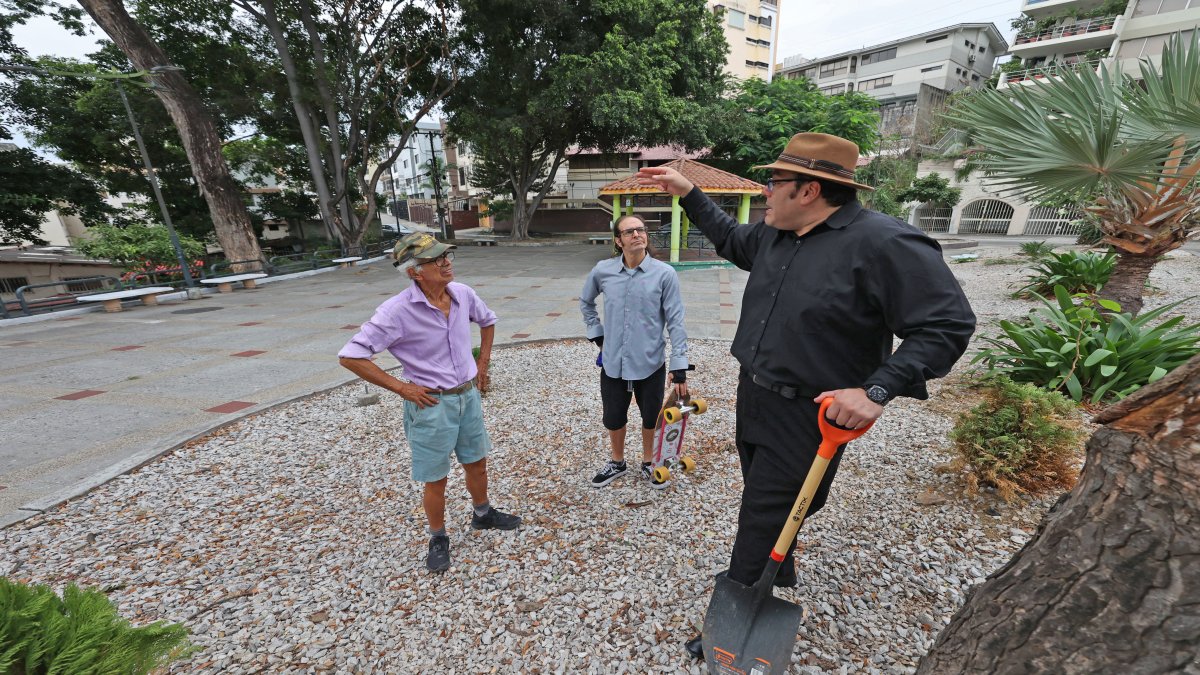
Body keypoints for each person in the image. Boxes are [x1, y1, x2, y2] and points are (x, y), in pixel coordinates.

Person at [636, 133, 976, 657]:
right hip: (754, 395)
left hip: (810, 413)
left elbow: (947, 326)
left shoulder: (885, 244)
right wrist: (688, 192)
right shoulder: (777, 233)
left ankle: (732, 634)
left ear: (810, 190)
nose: (765, 193)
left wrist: (877, 389)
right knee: (776, 496)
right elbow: (730, 238)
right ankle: (781, 563)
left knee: (763, 512)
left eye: (775, 183)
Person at [338, 232, 520, 573]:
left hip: (467, 397)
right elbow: (351, 356)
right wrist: (401, 388)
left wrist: (482, 365)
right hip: (431, 404)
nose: (446, 262)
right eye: (436, 259)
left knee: (477, 462)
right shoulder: (396, 312)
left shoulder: (462, 294)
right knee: (436, 478)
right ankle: (438, 537)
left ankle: (483, 513)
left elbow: (488, 321)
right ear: (413, 271)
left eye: (446, 256)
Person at [580, 214, 690, 489]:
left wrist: (679, 366)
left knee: (651, 415)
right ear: (618, 240)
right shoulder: (603, 271)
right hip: (613, 362)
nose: (637, 235)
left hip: (650, 360)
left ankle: (649, 461)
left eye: (641, 229)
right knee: (614, 416)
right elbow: (586, 302)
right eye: (629, 232)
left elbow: (676, 321)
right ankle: (617, 462)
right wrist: (597, 335)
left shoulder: (665, 274)